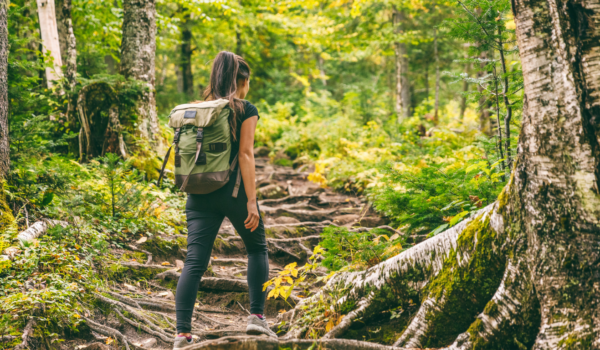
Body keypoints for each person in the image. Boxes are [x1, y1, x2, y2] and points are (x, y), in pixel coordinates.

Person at [173, 51, 276, 349]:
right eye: (247, 82)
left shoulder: (196, 109)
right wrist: (251, 201)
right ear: (241, 80)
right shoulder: (245, 109)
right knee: (258, 249)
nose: (248, 88)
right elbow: (245, 154)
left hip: (198, 194)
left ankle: (182, 334)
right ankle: (256, 318)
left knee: (194, 261)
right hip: (233, 193)